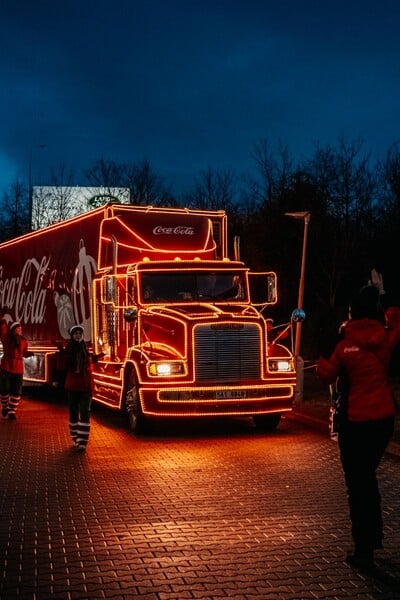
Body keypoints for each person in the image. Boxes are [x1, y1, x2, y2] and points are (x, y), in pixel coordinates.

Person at [317, 285, 400, 570]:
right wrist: (386, 298)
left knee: (358, 485)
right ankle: (374, 539)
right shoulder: (385, 337)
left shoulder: (343, 342)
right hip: (384, 421)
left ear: (351, 311)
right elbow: (396, 317)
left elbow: (325, 374)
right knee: (368, 479)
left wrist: (325, 348)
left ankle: (364, 549)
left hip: (356, 423)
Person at [64, 325, 93, 451]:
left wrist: (94, 359)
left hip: (86, 385)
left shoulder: (85, 348)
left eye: (80, 334)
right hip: (73, 385)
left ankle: (82, 441)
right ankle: (75, 435)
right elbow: (67, 364)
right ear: (72, 336)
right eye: (75, 333)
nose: (78, 336)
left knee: (85, 411)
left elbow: (88, 363)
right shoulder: (70, 348)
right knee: (74, 412)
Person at [0, 318, 32, 420]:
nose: (19, 330)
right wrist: (3, 320)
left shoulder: (23, 341)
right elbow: (3, 329)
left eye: (20, 329)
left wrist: (28, 354)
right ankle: (5, 406)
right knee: (4, 390)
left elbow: (24, 352)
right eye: (17, 329)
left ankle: (12, 411)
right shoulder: (6, 338)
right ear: (13, 330)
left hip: (18, 368)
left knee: (16, 391)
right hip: (7, 366)